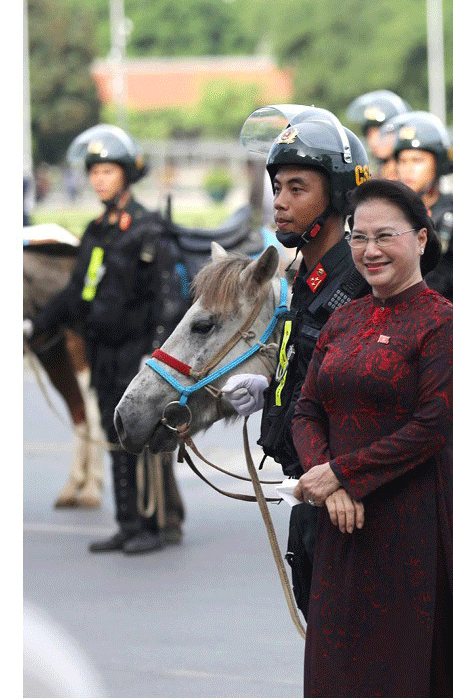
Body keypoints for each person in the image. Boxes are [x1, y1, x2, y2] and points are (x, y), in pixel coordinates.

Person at [291, 178, 453, 697]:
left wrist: (341, 475)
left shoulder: (443, 324)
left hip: (410, 523)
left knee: (404, 669)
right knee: (338, 669)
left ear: (420, 239)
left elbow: (432, 427)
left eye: (384, 236)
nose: (369, 250)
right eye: (358, 237)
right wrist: (328, 481)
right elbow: (306, 409)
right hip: (340, 523)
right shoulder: (343, 318)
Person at [222, 106, 373, 620]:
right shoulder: (306, 278)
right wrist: (271, 390)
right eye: (276, 187)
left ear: (339, 197)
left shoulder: (358, 285)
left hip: (346, 503)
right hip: (307, 490)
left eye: (297, 188)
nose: (279, 202)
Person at [25, 124, 184, 555]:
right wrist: (35, 326)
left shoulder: (148, 229)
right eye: (94, 171)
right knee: (115, 440)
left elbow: (169, 299)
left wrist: (156, 356)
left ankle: (155, 524)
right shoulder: (97, 231)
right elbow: (77, 293)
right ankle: (128, 524)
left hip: (138, 355)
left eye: (108, 171)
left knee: (144, 440)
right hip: (103, 354)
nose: (98, 179)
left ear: (128, 175)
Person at [388, 110, 453, 328]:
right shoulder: (391, 214)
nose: (408, 169)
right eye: (403, 160)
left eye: (417, 160)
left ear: (439, 164)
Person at [345, 90, 410, 180]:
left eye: (382, 132)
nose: (373, 141)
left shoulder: (410, 178)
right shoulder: (371, 177)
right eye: (370, 134)